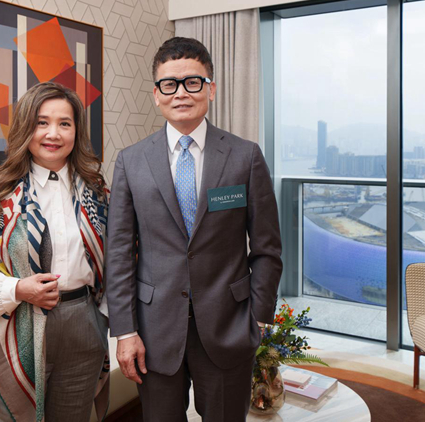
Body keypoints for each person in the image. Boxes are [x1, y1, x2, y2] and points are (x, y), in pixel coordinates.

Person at [106, 37, 283, 421]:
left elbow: (267, 247)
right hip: (153, 330)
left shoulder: (245, 156)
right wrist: (125, 331)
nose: (181, 93)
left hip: (229, 326)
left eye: (193, 82)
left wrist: (258, 318)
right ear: (156, 94)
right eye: (169, 84)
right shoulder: (130, 161)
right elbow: (118, 254)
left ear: (210, 89)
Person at [0, 82, 110, 422]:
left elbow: (119, 260)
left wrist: (104, 319)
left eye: (64, 123)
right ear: (26, 128)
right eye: (42, 122)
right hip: (16, 327)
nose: (54, 134)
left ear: (76, 131)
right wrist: (18, 289)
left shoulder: (97, 191)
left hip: (83, 326)